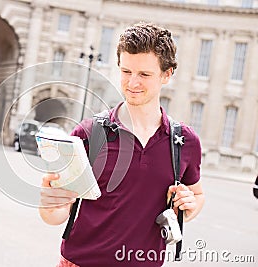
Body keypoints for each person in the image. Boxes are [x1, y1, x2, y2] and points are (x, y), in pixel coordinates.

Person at [39, 22, 205, 267]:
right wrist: (49, 201)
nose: (132, 83)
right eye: (126, 71)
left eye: (144, 74)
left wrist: (189, 205)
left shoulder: (185, 142)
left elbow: (197, 193)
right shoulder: (88, 134)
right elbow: (54, 216)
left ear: (167, 74)